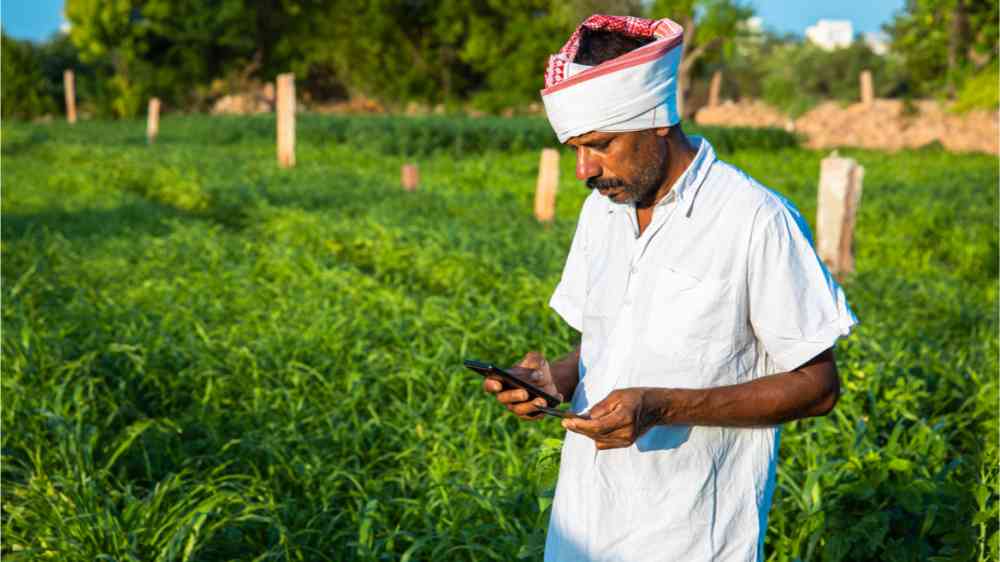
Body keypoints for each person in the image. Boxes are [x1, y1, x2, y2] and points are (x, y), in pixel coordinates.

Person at [481, 14, 858, 562]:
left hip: (690, 536)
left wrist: (662, 407)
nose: (585, 169)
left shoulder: (754, 219)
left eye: (601, 144)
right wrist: (552, 380)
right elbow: (615, 340)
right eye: (574, 149)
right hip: (582, 523)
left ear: (657, 119)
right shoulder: (602, 212)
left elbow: (817, 386)